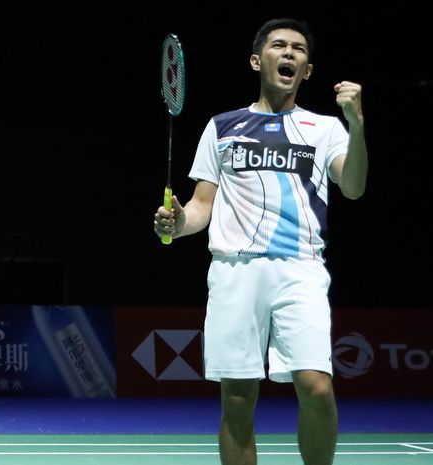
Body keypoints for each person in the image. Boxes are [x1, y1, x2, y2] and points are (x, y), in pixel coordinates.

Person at [154, 18, 367, 465]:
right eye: (278, 46)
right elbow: (200, 206)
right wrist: (176, 223)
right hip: (235, 268)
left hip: (301, 268)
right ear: (257, 60)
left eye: (299, 49)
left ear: (307, 70)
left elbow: (353, 186)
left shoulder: (324, 128)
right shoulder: (223, 127)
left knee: (316, 386)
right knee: (236, 397)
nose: (289, 53)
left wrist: (357, 122)